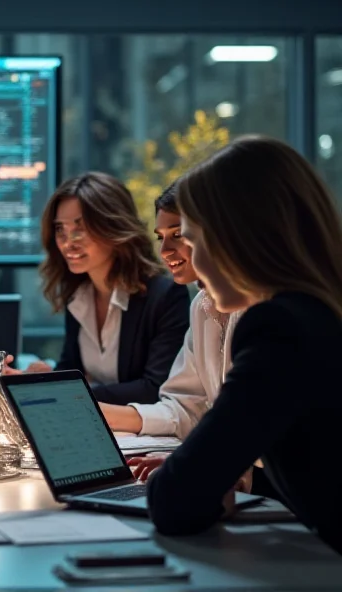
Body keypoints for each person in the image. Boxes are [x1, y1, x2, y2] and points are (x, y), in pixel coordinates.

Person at [145, 136, 342, 555]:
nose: (191, 261)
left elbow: (174, 502)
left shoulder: (279, 329)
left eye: (193, 240)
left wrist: (204, 477)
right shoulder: (321, 313)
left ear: (237, 237)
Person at [5, 172, 190, 406]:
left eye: (80, 228)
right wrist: (38, 379)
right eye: (60, 229)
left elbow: (154, 388)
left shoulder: (165, 296)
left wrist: (65, 390)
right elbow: (72, 371)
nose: (67, 241)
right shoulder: (79, 296)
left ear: (113, 227)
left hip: (147, 436)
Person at [99, 183, 244, 438]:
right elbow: (186, 409)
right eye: (160, 237)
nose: (164, 251)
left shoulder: (262, 309)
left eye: (178, 235)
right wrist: (94, 413)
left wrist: (195, 461)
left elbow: (248, 422)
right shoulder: (202, 306)